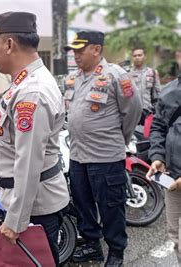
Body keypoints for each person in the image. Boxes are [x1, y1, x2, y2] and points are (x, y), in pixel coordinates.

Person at [0, 12, 70, 265]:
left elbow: (28, 161)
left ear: (9, 44)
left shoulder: (32, 91)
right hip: (29, 200)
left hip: (34, 207)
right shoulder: (23, 83)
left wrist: (16, 220)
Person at [64, 31, 142, 266]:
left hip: (106, 157)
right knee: (83, 204)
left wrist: (119, 139)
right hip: (78, 155)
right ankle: (92, 245)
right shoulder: (74, 78)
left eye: (80, 50)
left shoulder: (116, 75)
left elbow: (133, 111)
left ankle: (116, 253)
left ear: (96, 49)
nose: (75, 55)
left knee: (111, 208)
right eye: (74, 51)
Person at [146, 53, 181, 264]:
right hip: (174, 183)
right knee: (175, 236)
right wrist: (158, 157)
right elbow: (159, 127)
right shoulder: (168, 92)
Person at [129, 47, 161, 124]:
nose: (137, 58)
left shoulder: (152, 73)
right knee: (131, 134)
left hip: (148, 112)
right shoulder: (126, 73)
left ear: (145, 56)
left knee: (146, 134)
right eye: (135, 56)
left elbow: (159, 93)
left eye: (139, 55)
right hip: (131, 113)